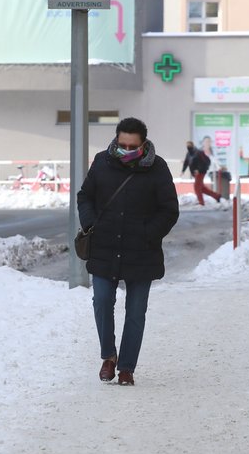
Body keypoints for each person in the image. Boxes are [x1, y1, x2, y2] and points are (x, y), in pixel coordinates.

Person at [77, 117, 180, 386]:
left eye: (132, 146)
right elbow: (85, 196)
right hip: (104, 246)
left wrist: (149, 233)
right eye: (122, 144)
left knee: (136, 311)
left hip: (141, 251)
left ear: (143, 144)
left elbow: (169, 210)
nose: (126, 150)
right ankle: (108, 357)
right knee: (101, 302)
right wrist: (90, 223)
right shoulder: (102, 161)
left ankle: (126, 368)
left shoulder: (157, 168)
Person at [189, 140, 221, 205]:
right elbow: (188, 162)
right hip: (197, 173)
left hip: (200, 172)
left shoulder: (198, 152)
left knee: (197, 187)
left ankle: (201, 202)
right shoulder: (190, 153)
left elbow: (203, 162)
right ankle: (216, 196)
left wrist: (199, 170)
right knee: (202, 188)